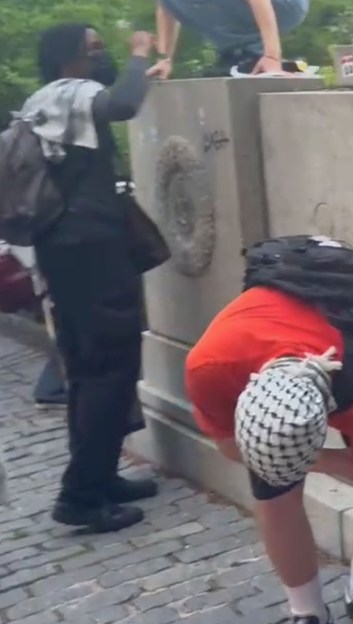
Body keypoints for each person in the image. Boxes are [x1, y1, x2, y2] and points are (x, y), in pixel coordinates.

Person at [184, 236, 353, 624]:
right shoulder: (209, 367)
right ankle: (308, 618)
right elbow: (225, 443)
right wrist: (330, 462)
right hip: (265, 369)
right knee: (273, 489)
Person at [20, 25, 159, 533]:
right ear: (67, 58)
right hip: (90, 252)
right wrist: (140, 56)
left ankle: (100, 478)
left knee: (87, 369)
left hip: (69, 251)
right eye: (94, 49)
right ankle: (79, 495)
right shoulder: (69, 93)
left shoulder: (45, 101)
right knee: (108, 368)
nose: (102, 56)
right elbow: (121, 104)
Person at [147, 0, 309, 79]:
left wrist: (272, 56)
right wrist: (164, 59)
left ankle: (258, 52)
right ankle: (242, 53)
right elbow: (165, 8)